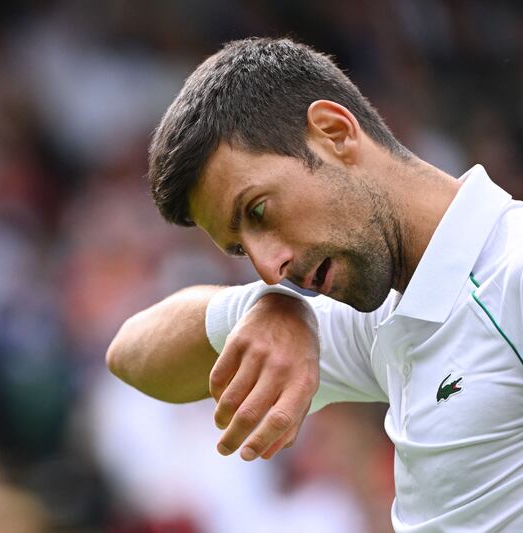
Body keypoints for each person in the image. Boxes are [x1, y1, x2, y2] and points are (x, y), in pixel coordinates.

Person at [106, 37, 523, 531]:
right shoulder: (383, 309)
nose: (268, 268)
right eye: (240, 249)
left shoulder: (509, 271)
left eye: (258, 210)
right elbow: (131, 356)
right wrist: (264, 308)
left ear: (334, 132)